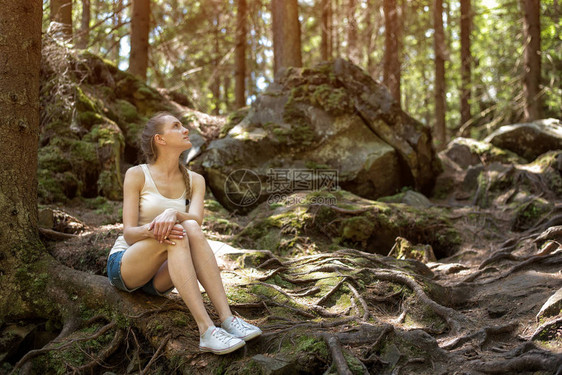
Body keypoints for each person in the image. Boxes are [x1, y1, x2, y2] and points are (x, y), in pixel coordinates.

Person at [106, 112, 261, 355]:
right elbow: (129, 234)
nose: (185, 129)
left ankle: (228, 319)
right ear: (160, 139)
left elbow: (196, 221)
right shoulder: (137, 174)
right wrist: (157, 226)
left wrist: (173, 213)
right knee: (177, 232)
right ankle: (206, 330)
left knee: (188, 227)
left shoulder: (195, 179)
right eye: (176, 126)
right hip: (127, 264)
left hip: (161, 277)